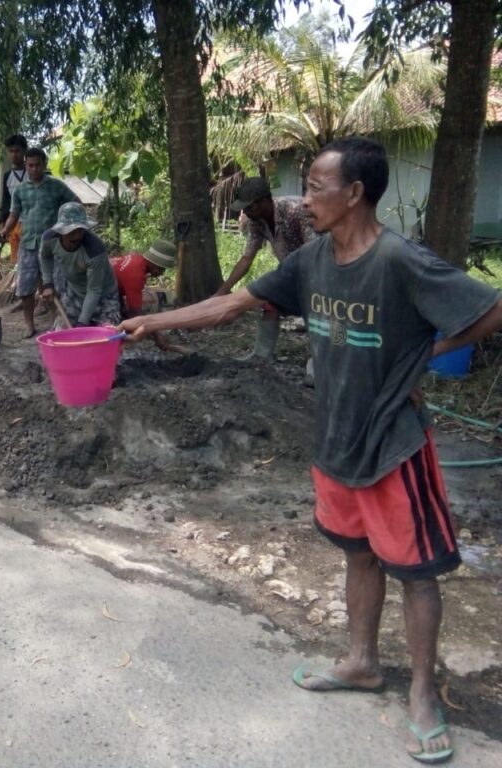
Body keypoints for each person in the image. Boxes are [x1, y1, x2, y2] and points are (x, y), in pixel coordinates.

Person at [120, 136, 502, 766]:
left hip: (392, 445)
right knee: (358, 554)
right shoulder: (311, 259)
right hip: (335, 439)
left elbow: (487, 307)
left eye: (319, 186)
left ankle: (426, 695)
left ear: (354, 193)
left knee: (416, 572)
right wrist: (155, 322)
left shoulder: (401, 260)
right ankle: (360, 663)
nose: (306, 196)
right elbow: (232, 306)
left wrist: (422, 358)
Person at [218, 176, 316, 360]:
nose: (246, 212)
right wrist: (222, 291)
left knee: (315, 312)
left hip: (316, 272)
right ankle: (261, 356)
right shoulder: (257, 221)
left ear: (264, 201)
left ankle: (317, 363)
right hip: (291, 272)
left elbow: (315, 252)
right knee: (269, 303)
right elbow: (247, 258)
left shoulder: (297, 211)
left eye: (249, 207)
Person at [0, 147, 79, 337]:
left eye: (38, 165)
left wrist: (69, 229)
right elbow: (13, 215)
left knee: (55, 286)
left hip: (52, 244)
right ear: (26, 166)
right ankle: (29, 325)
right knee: (25, 288)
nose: (34, 169)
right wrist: (4, 232)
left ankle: (56, 322)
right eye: (30, 165)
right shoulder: (20, 190)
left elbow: (75, 203)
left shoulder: (56, 186)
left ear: (45, 165)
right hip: (28, 244)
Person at [39, 202, 121, 328]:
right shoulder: (49, 239)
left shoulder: (94, 249)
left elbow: (94, 290)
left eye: (80, 231)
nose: (77, 236)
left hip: (104, 295)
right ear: (61, 230)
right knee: (62, 334)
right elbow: (45, 256)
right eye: (71, 232)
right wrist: (48, 284)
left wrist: (82, 323)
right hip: (74, 290)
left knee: (107, 335)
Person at [111, 238, 177, 318]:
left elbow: (119, 291)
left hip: (106, 289)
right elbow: (135, 312)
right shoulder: (136, 275)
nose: (161, 273)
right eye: (161, 268)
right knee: (113, 325)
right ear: (154, 263)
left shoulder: (136, 259)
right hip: (98, 292)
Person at [0, 134, 27, 263]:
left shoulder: (32, 173)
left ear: (24, 151)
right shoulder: (7, 177)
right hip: (13, 224)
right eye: (11, 151)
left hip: (31, 223)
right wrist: (3, 225)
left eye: (17, 151)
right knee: (16, 261)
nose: (14, 154)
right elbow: (6, 202)